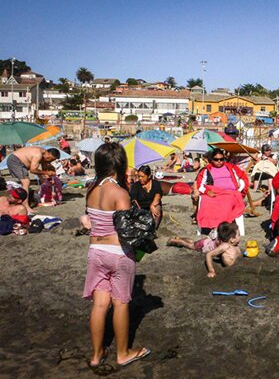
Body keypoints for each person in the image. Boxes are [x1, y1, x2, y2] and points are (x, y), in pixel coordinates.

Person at [82, 142, 151, 367]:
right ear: (120, 163)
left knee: (100, 304)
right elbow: (126, 231)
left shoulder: (91, 190)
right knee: (121, 303)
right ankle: (123, 353)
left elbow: (90, 221)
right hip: (118, 253)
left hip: (96, 252)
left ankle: (96, 355)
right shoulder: (120, 193)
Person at [193, 148, 248, 231]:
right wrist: (207, 192)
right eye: (216, 159)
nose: (219, 161)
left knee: (226, 202)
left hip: (231, 193)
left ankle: (222, 227)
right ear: (212, 160)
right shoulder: (206, 170)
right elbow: (200, 184)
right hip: (214, 192)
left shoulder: (231, 167)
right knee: (207, 202)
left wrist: (241, 187)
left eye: (221, 159)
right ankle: (214, 226)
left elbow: (243, 178)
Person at [167, 221, 242, 277]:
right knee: (190, 245)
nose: (240, 236)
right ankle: (175, 240)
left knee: (193, 242)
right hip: (204, 245)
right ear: (232, 239)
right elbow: (209, 254)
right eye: (238, 235)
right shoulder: (225, 246)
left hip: (210, 242)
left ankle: (180, 238)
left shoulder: (233, 245)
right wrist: (211, 271)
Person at [6, 146, 60, 213]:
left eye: (52, 160)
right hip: (15, 160)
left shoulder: (44, 157)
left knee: (26, 182)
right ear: (49, 154)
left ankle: (22, 201)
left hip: (18, 162)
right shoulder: (38, 154)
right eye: (50, 159)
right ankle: (25, 206)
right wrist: (47, 172)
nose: (49, 161)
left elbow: (43, 172)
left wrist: (49, 180)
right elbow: (33, 170)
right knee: (26, 182)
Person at [130, 165, 163, 229]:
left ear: (149, 176)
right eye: (139, 176)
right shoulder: (136, 186)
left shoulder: (156, 184)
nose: (140, 178)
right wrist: (141, 212)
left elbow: (158, 195)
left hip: (152, 206)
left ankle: (154, 228)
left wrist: (152, 205)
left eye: (142, 177)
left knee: (157, 207)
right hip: (140, 208)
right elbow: (134, 201)